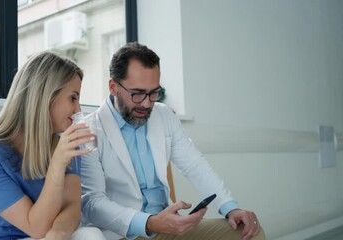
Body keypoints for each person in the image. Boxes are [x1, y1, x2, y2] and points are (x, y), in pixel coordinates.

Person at [80, 42, 266, 240]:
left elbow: (194, 165)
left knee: (249, 234)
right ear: (113, 87)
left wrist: (230, 207)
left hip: (167, 231)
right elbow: (92, 203)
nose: (146, 103)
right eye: (137, 94)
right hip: (124, 234)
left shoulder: (163, 115)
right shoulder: (89, 130)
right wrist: (149, 223)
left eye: (153, 93)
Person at [0, 52, 105, 240]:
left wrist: (57, 234)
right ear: (45, 96)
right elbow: (36, 227)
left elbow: (71, 208)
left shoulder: (66, 144)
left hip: (43, 236)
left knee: (90, 234)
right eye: (73, 98)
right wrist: (57, 164)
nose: (78, 110)